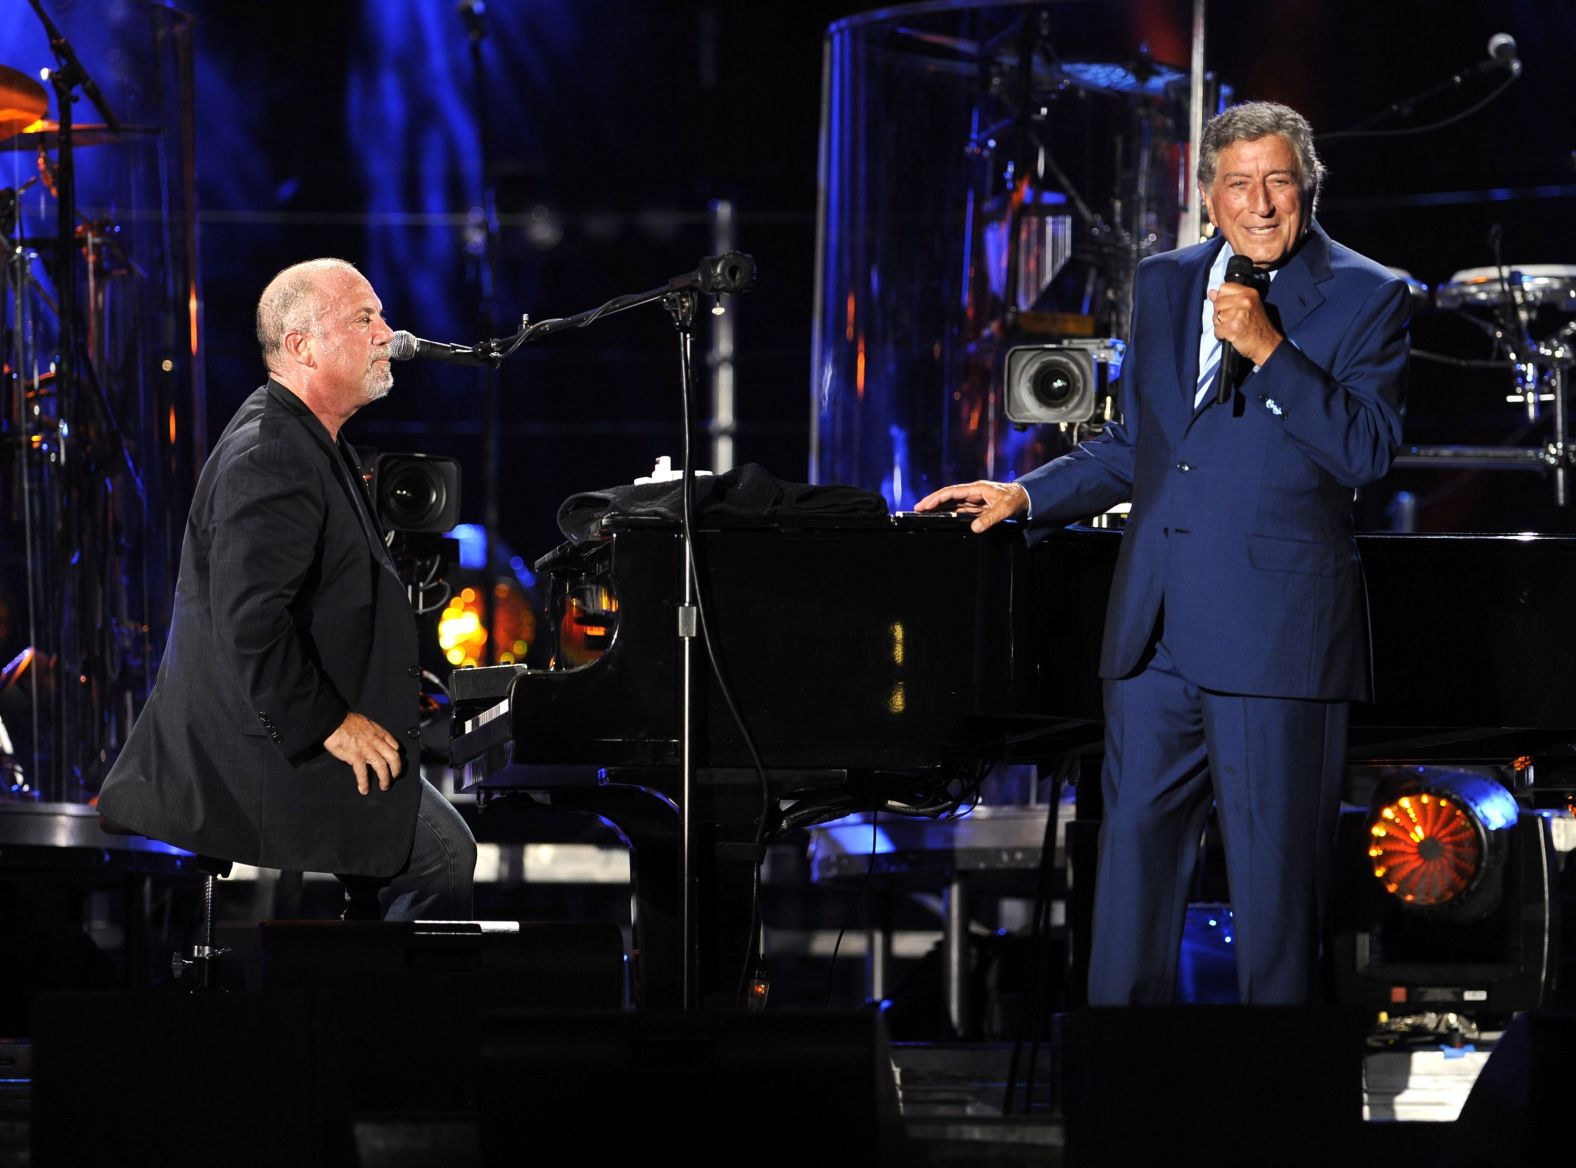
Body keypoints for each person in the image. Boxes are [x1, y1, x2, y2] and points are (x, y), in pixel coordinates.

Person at [917, 102, 1408, 1005]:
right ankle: (1120, 1094)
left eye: (1279, 181)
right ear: (1207, 196)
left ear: (1308, 187)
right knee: (1130, 886)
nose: (1260, 203)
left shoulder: (1368, 292)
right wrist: (1027, 494)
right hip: (1152, 638)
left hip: (1274, 640)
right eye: (1239, 183)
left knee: (1274, 899)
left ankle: (1274, 1111)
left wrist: (1269, 351)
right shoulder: (1167, 282)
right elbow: (1134, 448)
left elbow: (1367, 452)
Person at [98, 258, 476, 921]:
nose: (389, 333)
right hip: (257, 754)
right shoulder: (273, 453)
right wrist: (332, 723)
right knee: (441, 854)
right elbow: (249, 621)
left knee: (433, 848)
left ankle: (359, 1005)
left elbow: (316, 599)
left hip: (278, 733)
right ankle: (384, 1021)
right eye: (365, 319)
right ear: (302, 346)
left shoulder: (306, 439)